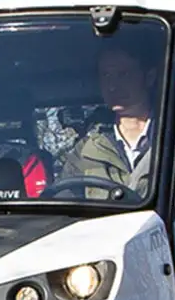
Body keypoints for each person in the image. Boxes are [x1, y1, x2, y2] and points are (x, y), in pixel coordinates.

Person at [58, 43, 158, 196]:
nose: (112, 86)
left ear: (149, 77)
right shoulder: (85, 151)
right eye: (106, 75)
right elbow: (62, 204)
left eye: (123, 74)